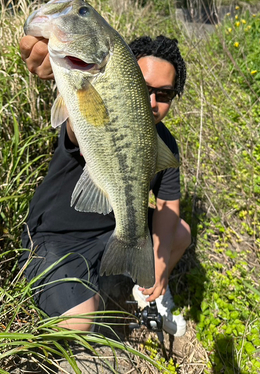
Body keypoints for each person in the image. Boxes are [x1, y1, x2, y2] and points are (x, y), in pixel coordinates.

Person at [18, 33, 191, 337]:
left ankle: (147, 287)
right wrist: (63, 63)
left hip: (111, 232)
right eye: (143, 86)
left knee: (179, 232)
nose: (151, 102)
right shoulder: (95, 109)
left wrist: (160, 271)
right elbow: (74, 123)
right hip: (55, 237)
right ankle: (76, 289)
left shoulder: (166, 144)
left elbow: (167, 206)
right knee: (79, 322)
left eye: (163, 94)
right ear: (123, 78)